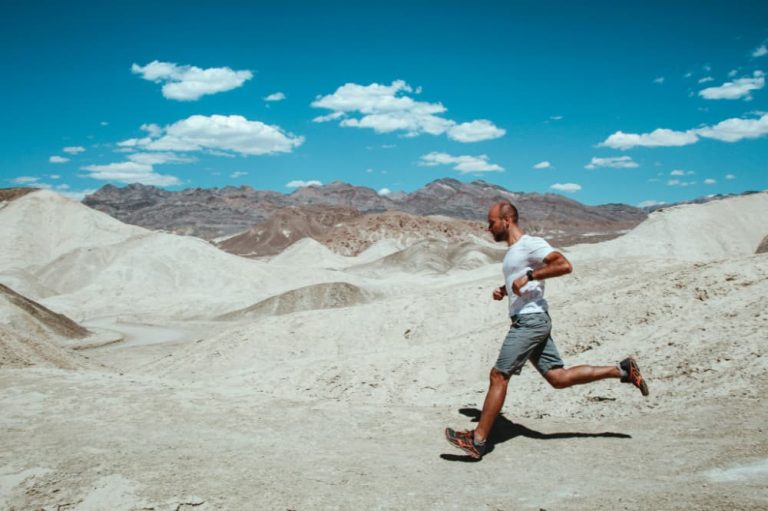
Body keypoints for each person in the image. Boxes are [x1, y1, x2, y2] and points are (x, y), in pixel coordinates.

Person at [445, 200, 649, 459]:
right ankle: (622, 370)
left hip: (530, 321)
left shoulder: (530, 243)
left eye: (492, 222)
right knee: (557, 378)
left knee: (499, 375)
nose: (488, 228)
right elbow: (521, 280)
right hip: (531, 318)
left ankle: (478, 440)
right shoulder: (514, 251)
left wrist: (530, 276)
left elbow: (564, 264)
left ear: (507, 221)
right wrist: (505, 289)